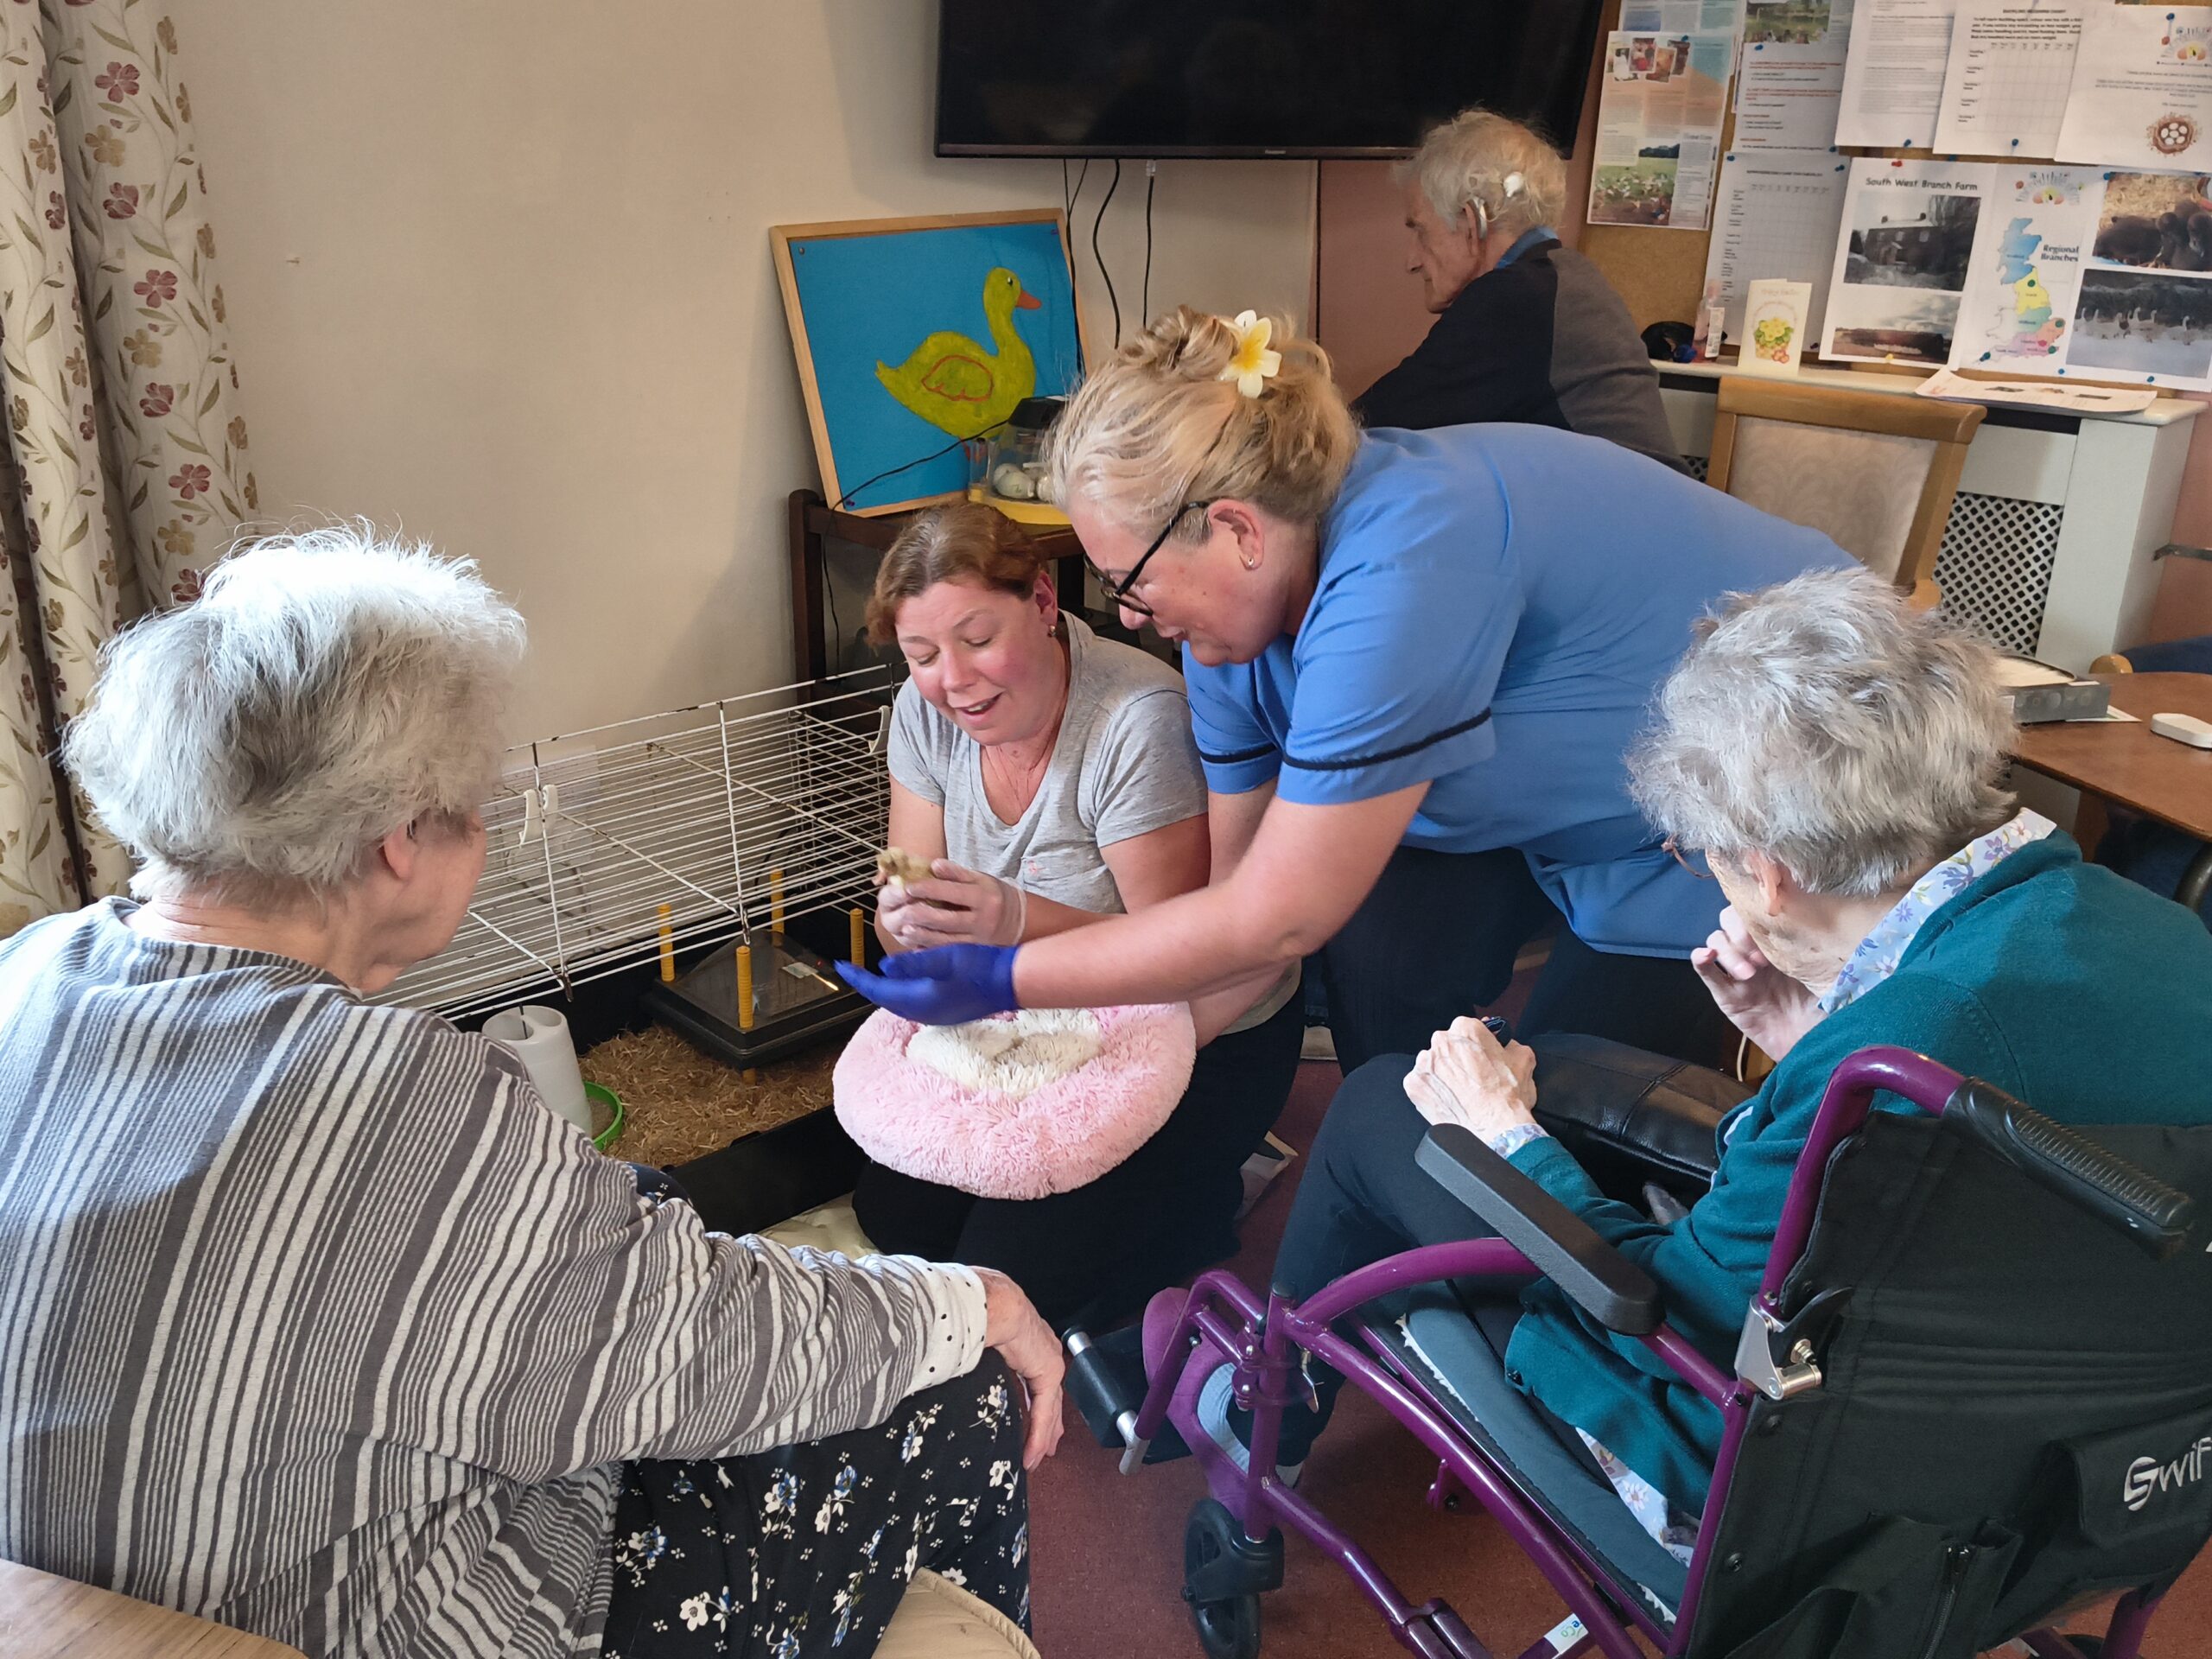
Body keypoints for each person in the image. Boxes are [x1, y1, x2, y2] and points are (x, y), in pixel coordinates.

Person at [0, 528, 1064, 1659]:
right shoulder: (405, 1100)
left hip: (78, 1604)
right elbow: (703, 1352)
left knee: (648, 1203)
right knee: (953, 1380)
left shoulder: (29, 970)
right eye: (477, 801)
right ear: (405, 839)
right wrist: (971, 1302)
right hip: (379, 1618)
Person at [1228, 569, 2212, 1562]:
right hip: (2100, 1473)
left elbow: (1670, 1315)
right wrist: (1809, 1032)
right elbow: (2002, 1139)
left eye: (1705, 855)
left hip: (1777, 1486)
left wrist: (1500, 1135)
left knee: (1375, 1111)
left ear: (1771, 872)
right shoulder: (2161, 933)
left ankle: (1250, 1438)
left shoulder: (1890, 1060)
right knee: (1560, 1065)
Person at [839, 308, 1853, 1075]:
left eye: (1128, 582)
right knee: (1391, 994)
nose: (1130, 616)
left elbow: (1275, 921)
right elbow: (1232, 908)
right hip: (1551, 793)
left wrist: (1007, 981)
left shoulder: (1408, 556)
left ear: (1234, 529)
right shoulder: (1225, 636)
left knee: (1582, 1099)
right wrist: (1096, 1073)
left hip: (1781, 764)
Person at [827, 501, 1302, 1333]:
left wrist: (1012, 918)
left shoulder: (1134, 720)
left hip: (1194, 1024)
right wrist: (904, 917)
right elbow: (904, 874)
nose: (955, 679)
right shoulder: (922, 709)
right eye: (922, 653)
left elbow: (1188, 955)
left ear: (1044, 603)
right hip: (1031, 1015)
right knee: (899, 1218)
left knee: (1012, 1277)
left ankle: (1206, 1188)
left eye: (977, 639)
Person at [1352, 109, 1681, 474]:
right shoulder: (1563, 278)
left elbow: (1362, 430)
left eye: (1421, 230)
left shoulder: (1515, 300)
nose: (1411, 261)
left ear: (1471, 221)